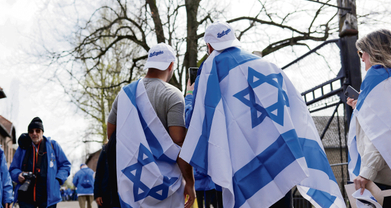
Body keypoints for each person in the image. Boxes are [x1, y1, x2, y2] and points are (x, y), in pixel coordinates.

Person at [180, 21, 345, 208]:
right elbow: (295, 110)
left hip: (240, 170)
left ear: (209, 46)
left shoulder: (210, 74)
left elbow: (195, 122)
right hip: (279, 163)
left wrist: (189, 96)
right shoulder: (268, 66)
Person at [107, 42, 195, 207]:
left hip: (133, 182)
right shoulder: (172, 95)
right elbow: (178, 141)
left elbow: (112, 135)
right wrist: (190, 182)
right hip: (167, 185)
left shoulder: (125, 95)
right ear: (171, 65)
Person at [347, 29, 391, 206]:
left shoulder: (379, 79)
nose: (362, 58)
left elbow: (382, 134)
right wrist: (361, 108)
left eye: (361, 53)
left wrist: (367, 172)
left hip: (381, 178)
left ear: (373, 52)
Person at [9, 117, 71, 208]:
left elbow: (65, 165)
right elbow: (13, 169)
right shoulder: (23, 147)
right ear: (28, 133)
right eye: (31, 131)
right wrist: (18, 175)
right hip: (26, 198)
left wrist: (57, 180)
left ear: (42, 132)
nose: (34, 133)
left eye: (37, 131)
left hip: (48, 198)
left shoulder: (53, 145)